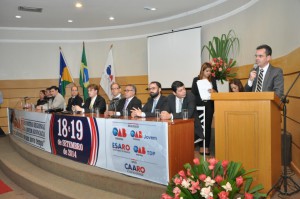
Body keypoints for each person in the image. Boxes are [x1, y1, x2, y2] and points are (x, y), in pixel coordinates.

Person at [191, 62, 218, 155]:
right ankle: (200, 146)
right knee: (199, 125)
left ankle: (206, 146)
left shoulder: (212, 79)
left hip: (209, 105)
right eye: (207, 71)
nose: (208, 73)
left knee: (207, 125)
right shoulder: (196, 79)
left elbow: (217, 92)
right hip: (198, 105)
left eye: (210, 71)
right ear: (202, 70)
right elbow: (193, 93)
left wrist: (213, 91)